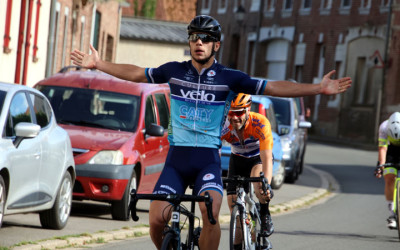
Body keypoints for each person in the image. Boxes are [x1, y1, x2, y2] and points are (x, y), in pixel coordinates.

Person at [71, 15, 351, 250]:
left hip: (207, 161)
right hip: (176, 161)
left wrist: (318, 88)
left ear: (216, 44)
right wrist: (98, 65)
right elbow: (136, 74)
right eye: (194, 38)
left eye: (205, 38)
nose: (199, 43)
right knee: (156, 219)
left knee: (211, 213)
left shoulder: (230, 78)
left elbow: (273, 87)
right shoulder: (174, 71)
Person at [221, 93, 274, 248]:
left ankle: (264, 213)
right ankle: (241, 242)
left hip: (256, 159)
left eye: (239, 112)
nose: (235, 117)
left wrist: (267, 184)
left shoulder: (260, 123)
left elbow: (267, 158)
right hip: (236, 159)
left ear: (247, 110)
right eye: (231, 112)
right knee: (235, 212)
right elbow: (212, 152)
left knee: (260, 188)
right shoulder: (224, 125)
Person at [375, 111, 400, 230]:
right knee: (389, 177)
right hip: (391, 150)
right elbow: (383, 148)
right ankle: (392, 214)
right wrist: (381, 165)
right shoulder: (384, 126)